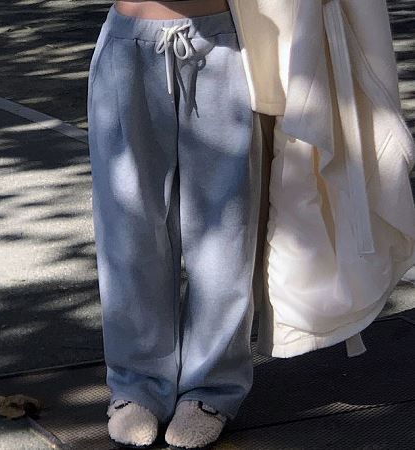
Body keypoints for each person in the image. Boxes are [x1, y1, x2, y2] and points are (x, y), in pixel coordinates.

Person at [86, 0, 263, 448]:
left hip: (224, 44)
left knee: (226, 230)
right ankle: (136, 385)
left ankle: (212, 388)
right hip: (128, 44)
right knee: (128, 230)